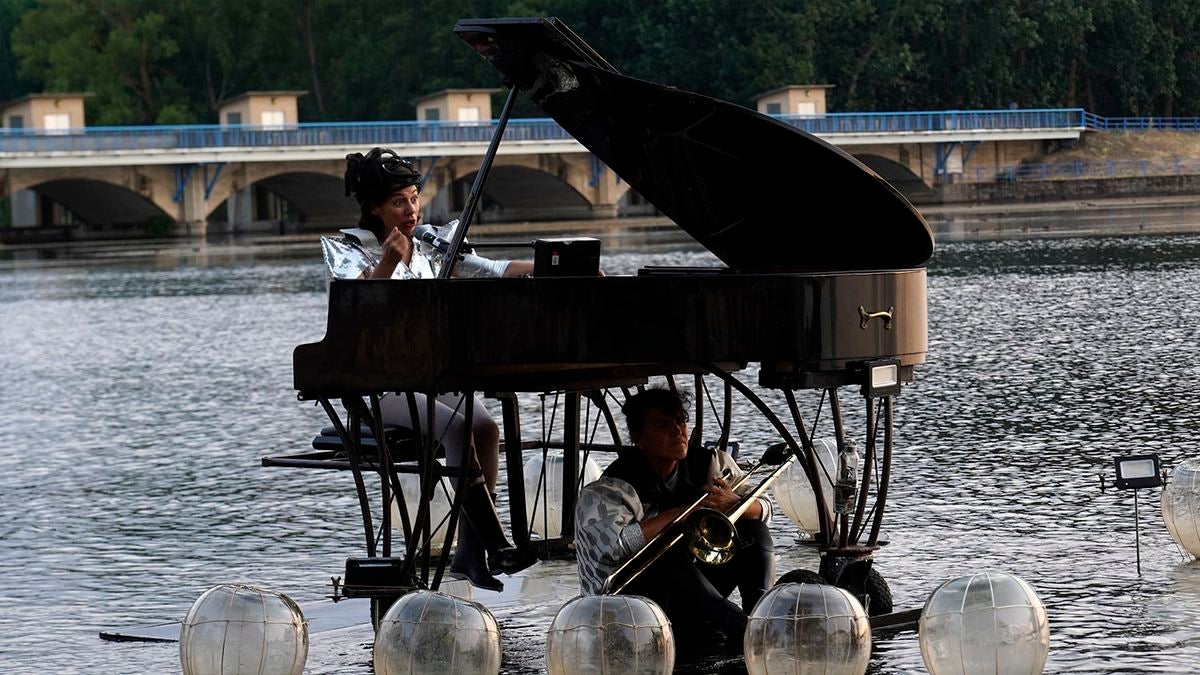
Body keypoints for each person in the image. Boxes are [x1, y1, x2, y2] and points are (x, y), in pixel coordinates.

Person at [322, 147, 536, 592]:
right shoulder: (350, 248)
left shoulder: (432, 245)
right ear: (374, 208)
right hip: (380, 386)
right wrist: (387, 262)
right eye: (399, 202)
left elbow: (489, 270)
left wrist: (554, 267)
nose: (411, 210)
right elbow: (355, 308)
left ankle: (468, 556)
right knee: (457, 431)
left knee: (484, 427)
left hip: (431, 379)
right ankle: (494, 543)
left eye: (414, 198)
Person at [574, 388, 775, 642]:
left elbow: (765, 510)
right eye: (662, 425)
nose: (677, 431)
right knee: (663, 550)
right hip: (630, 604)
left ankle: (759, 613)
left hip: (695, 588)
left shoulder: (709, 463)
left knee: (753, 531)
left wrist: (736, 504)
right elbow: (618, 545)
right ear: (638, 437)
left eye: (681, 421)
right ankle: (739, 626)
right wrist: (683, 512)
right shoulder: (612, 487)